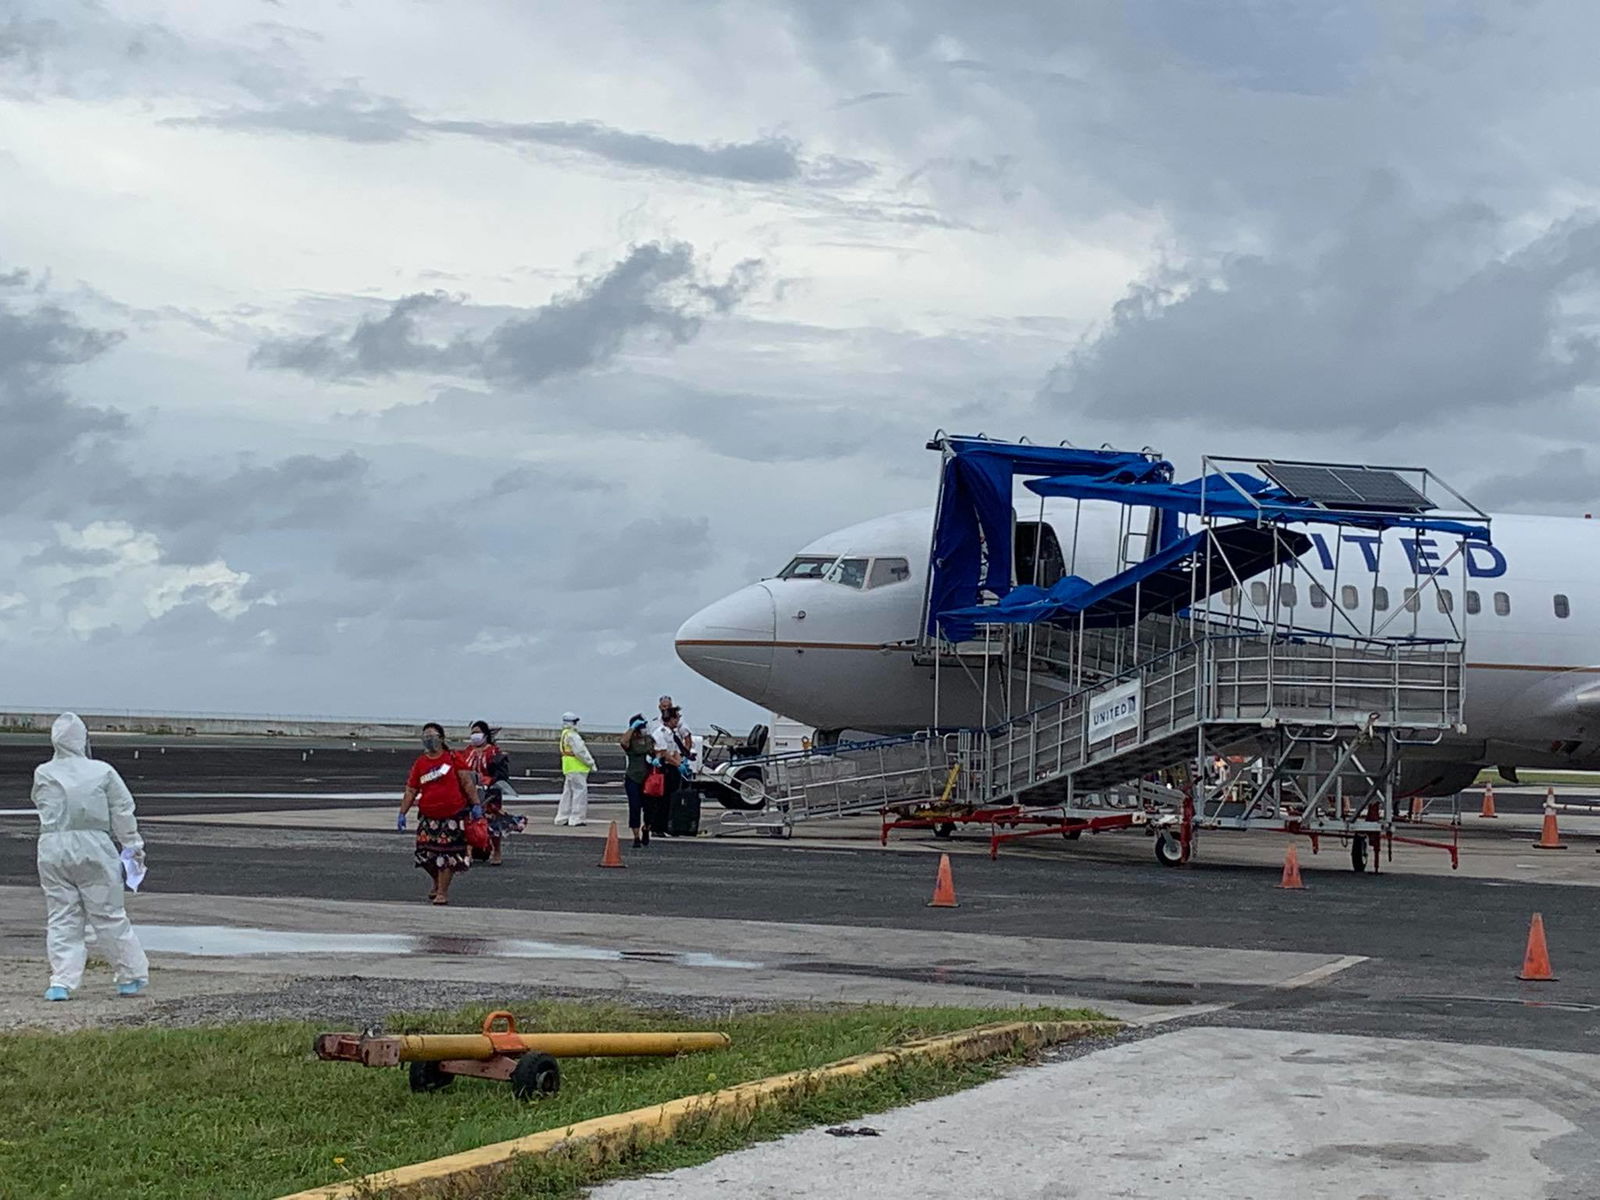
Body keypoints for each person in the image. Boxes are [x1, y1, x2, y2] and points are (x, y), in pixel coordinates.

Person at [31, 712, 149, 1000]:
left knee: (61, 915)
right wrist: (132, 845)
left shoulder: (44, 772)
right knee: (108, 914)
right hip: (94, 845)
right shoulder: (102, 771)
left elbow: (40, 801)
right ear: (82, 739)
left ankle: (61, 981)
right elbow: (122, 809)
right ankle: (130, 975)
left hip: (52, 847)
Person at [398, 722, 478, 905]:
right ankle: (437, 881)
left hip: (452, 815)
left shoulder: (453, 758)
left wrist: (476, 805)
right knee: (425, 855)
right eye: (425, 737)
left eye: (432, 736)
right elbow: (411, 790)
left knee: (446, 857)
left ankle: (442, 891)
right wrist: (402, 812)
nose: (428, 740)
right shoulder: (420, 763)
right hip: (428, 816)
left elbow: (467, 783)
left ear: (441, 739)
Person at [460, 720, 522, 866]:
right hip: (471, 790)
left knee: (493, 821)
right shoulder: (467, 751)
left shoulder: (494, 752)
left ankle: (497, 851)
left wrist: (489, 781)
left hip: (490, 792)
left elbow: (501, 774)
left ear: (485, 734)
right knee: (468, 821)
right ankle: (467, 851)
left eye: (478, 732)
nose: (475, 735)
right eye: (472, 732)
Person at [650, 706, 693, 837]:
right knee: (662, 800)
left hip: (673, 767)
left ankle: (667, 825)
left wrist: (680, 764)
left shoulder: (672, 734)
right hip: (665, 768)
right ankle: (657, 827)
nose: (678, 721)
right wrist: (677, 764)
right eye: (677, 718)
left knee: (671, 799)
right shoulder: (660, 732)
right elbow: (664, 753)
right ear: (671, 719)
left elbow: (675, 751)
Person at [620, 714, 655, 848]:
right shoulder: (631, 742)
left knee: (649, 807)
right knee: (634, 807)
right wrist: (632, 728)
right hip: (633, 777)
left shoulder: (649, 739)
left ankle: (646, 828)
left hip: (648, 778)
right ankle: (636, 837)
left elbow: (657, 751)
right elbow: (623, 742)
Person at [556, 712, 596, 826]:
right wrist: (591, 763)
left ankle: (562, 817)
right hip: (577, 767)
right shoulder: (573, 735)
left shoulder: (565, 734)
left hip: (568, 767)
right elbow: (580, 752)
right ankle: (577, 818)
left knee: (568, 792)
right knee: (579, 792)